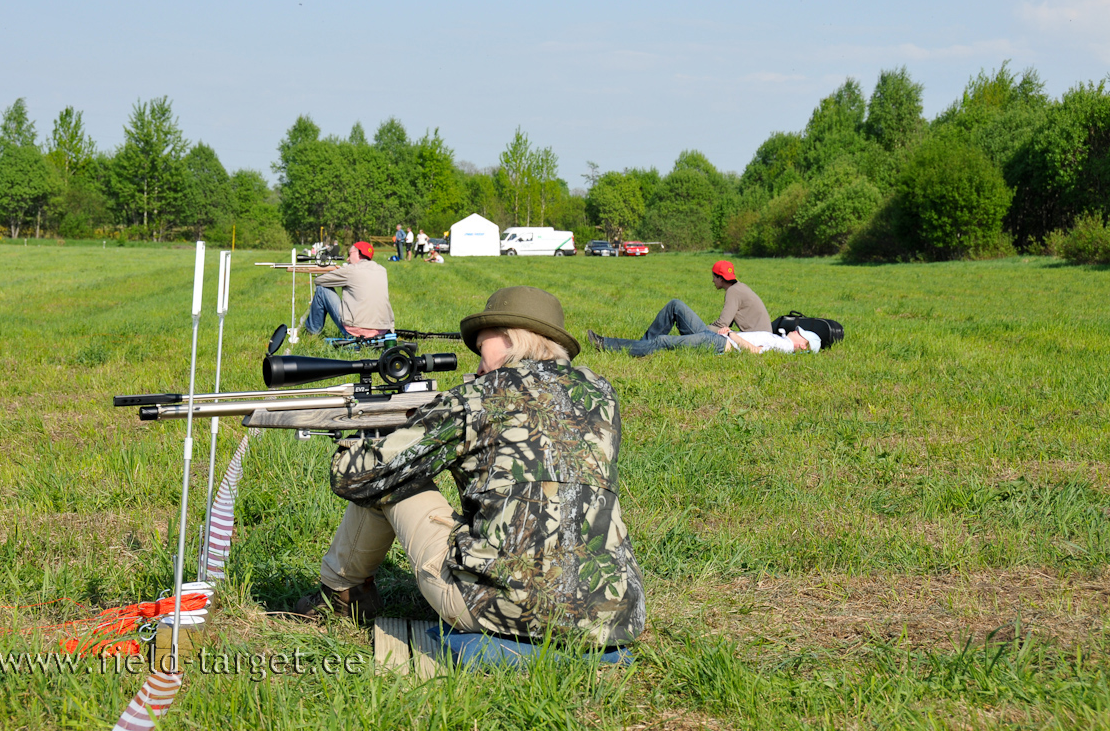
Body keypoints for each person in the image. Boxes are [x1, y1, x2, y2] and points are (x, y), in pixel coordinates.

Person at [297, 286, 646, 647]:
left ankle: (339, 594)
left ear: (510, 338)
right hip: (614, 616)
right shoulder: (601, 393)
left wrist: (367, 439)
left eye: (482, 348)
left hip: (495, 609)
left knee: (388, 479)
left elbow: (353, 477)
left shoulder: (478, 397)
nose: (478, 366)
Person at [586, 298, 820, 357]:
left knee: (664, 342)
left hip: (717, 344)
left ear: (803, 345)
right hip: (717, 337)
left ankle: (607, 345)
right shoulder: (783, 339)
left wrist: (732, 334)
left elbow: (755, 352)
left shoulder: (785, 347)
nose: (796, 330)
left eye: (800, 334)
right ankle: (642, 347)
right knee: (675, 306)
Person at [303, 241, 395, 338]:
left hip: (355, 330)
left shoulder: (350, 270)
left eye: (349, 254)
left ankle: (311, 333)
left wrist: (336, 271)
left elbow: (319, 280)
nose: (347, 259)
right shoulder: (382, 270)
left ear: (358, 253)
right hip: (383, 330)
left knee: (322, 289)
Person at [709, 260, 770, 333]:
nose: (713, 281)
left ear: (720, 279)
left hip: (756, 336)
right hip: (763, 335)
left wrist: (709, 327)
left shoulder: (733, 291)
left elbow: (723, 323)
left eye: (714, 277)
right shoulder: (740, 287)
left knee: (709, 330)